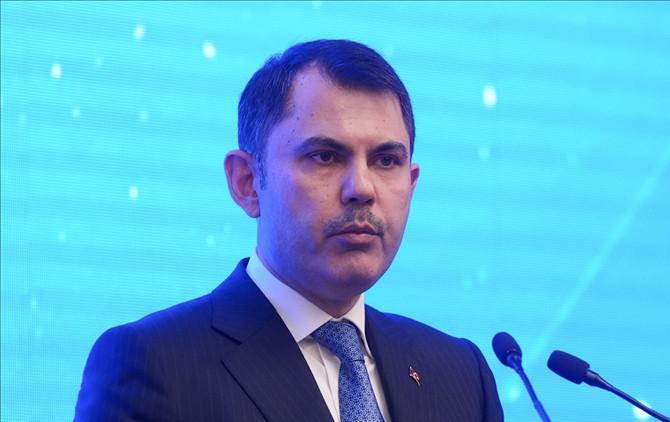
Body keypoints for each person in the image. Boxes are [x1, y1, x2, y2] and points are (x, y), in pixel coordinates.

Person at [75, 39, 503, 422]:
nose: (362, 188)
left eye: (386, 161)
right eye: (325, 157)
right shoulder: (156, 365)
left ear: (411, 184)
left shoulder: (460, 374)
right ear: (247, 182)